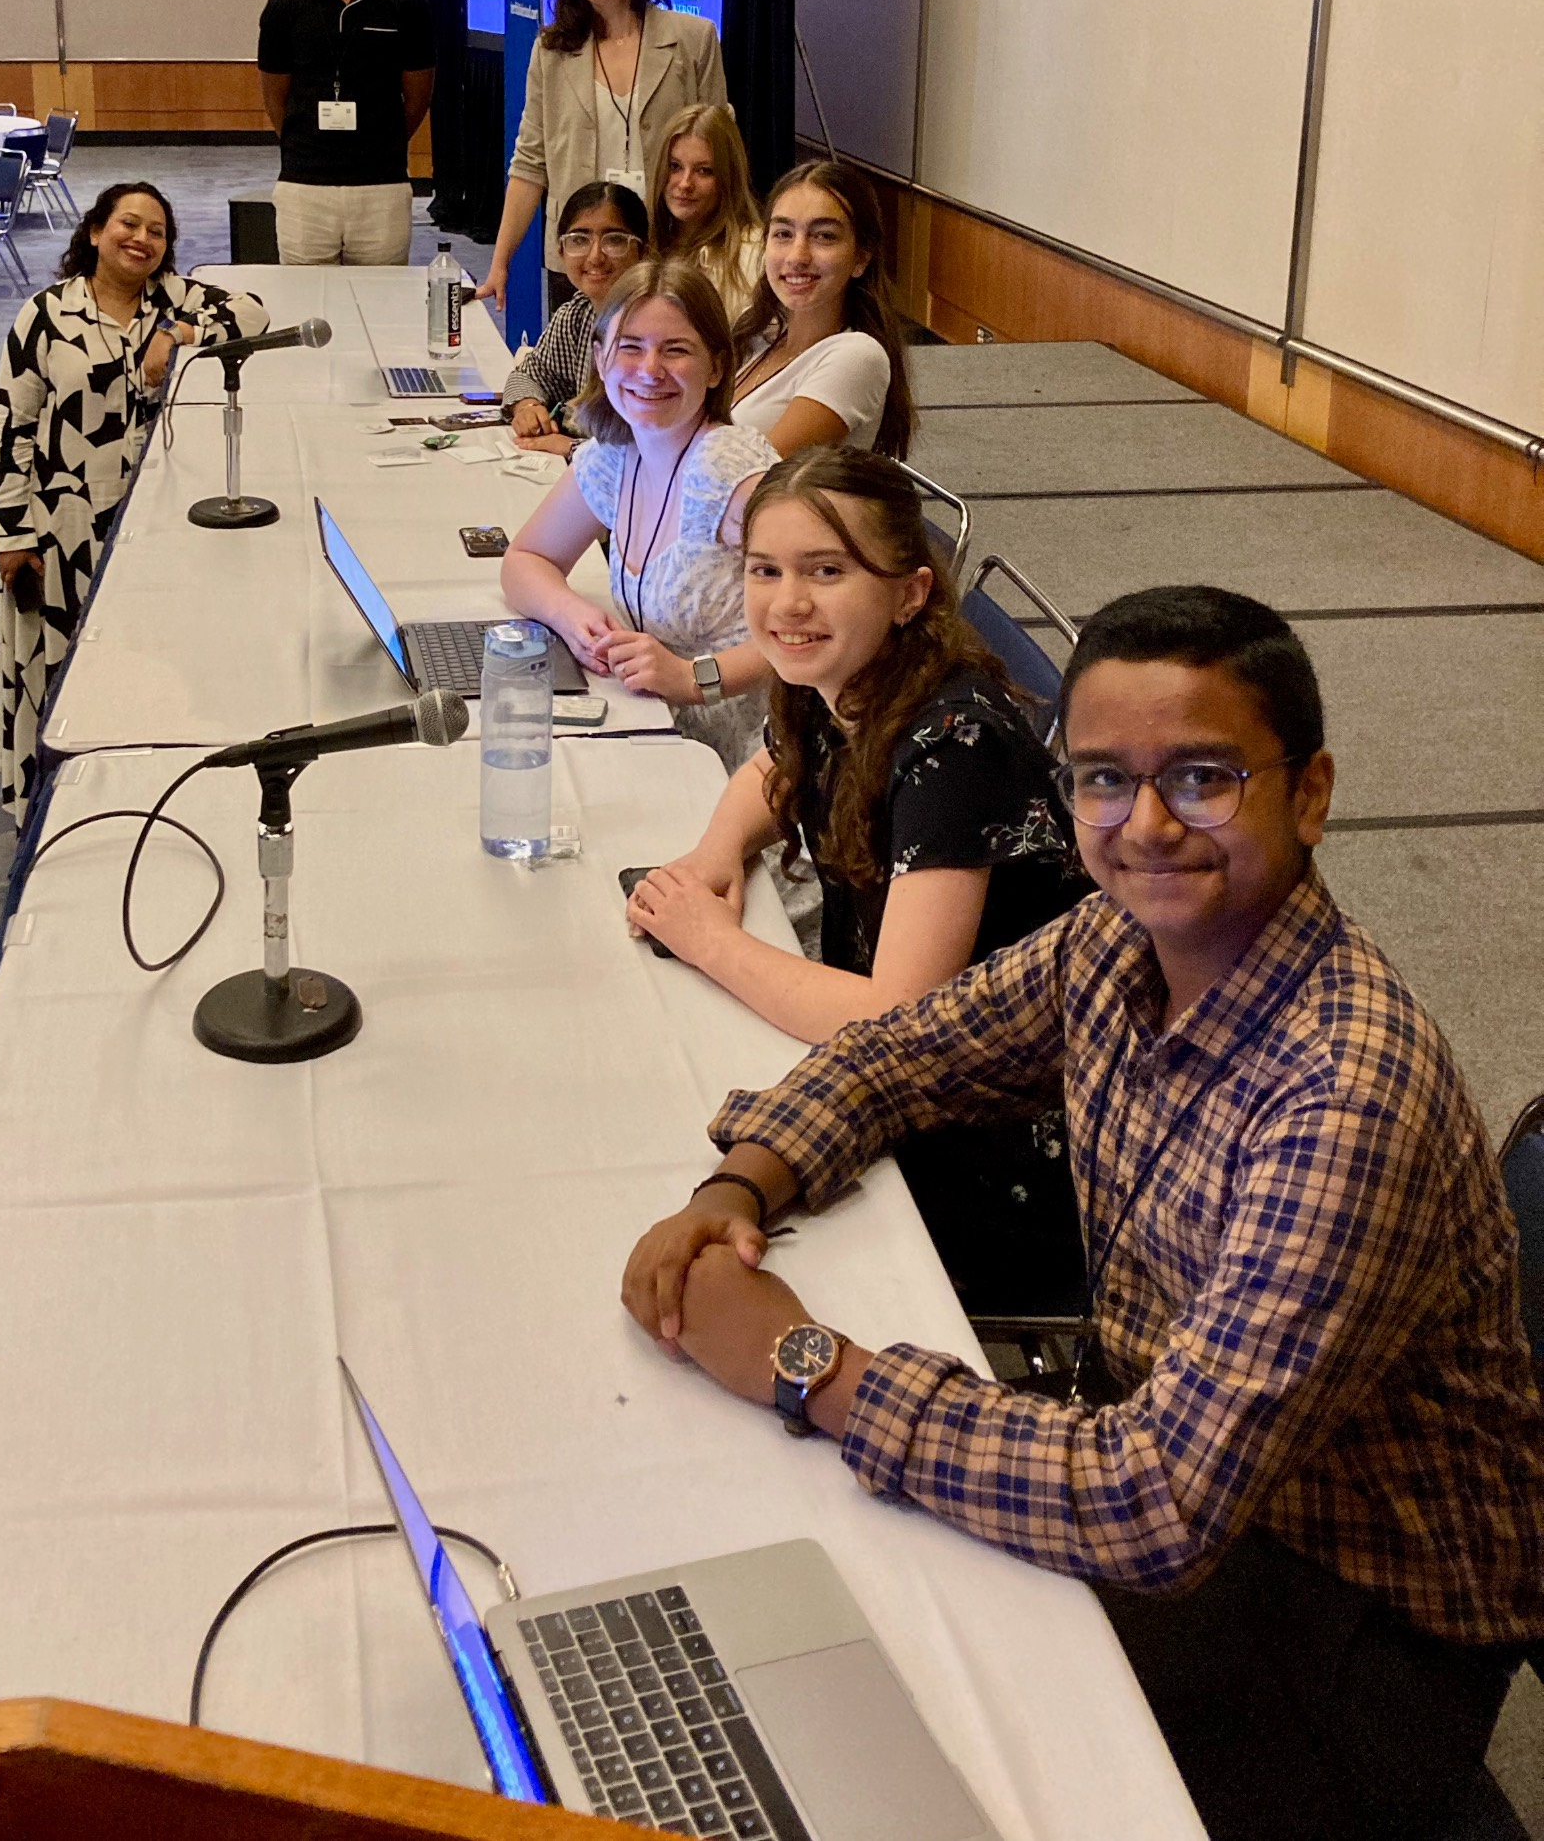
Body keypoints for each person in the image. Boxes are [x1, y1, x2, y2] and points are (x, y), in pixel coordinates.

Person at [622, 586, 1544, 1841]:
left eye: (1202, 778)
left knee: (878, 1738)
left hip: (1348, 1627)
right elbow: (899, 1053)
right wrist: (741, 1185)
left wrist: (806, 1363)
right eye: (1103, 779)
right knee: (804, 1611)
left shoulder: (1342, 1099)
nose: (1144, 824)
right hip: (1176, 1468)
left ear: (1309, 794)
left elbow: (1151, 1501)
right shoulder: (1113, 938)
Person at [627, 450, 1091, 1311]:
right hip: (890, 1077)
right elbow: (774, 768)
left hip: (998, 1148)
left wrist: (712, 941)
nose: (787, 603)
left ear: (910, 593)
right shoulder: (841, 676)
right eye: (766, 570)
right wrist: (718, 852)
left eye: (827, 572)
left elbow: (896, 1018)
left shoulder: (955, 748)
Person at [0, 181, 265, 815]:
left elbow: (252, 314)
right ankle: (47, 810)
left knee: (140, 660)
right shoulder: (46, 313)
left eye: (157, 232)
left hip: (150, 520)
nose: (142, 239)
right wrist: (12, 533)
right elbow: (12, 428)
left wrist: (177, 333)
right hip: (63, 523)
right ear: (95, 232)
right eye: (129, 224)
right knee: (56, 667)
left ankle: (131, 795)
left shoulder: (171, 297)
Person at [499, 258, 777, 764]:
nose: (650, 370)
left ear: (717, 368)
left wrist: (691, 678)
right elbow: (525, 560)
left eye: (676, 350)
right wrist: (572, 617)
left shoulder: (729, 472)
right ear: (601, 359)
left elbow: (821, 624)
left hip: (752, 760)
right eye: (631, 347)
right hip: (660, 733)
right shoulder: (615, 455)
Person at [481, 0, 726, 314]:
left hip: (670, 247)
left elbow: (720, 153)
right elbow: (530, 163)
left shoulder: (694, 38)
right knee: (579, 351)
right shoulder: (551, 52)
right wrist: (500, 261)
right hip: (583, 255)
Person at [256, 0, 434, 266]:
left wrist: (382, 142)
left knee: (380, 301)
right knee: (306, 302)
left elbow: (418, 97)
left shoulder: (405, 4)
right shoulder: (284, 7)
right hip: (304, 187)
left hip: (382, 186)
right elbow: (275, 98)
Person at [729, 160, 914, 459]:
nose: (797, 256)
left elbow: (760, 473)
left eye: (824, 236)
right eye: (783, 234)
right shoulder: (757, 334)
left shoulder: (857, 356)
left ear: (861, 258)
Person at [502, 181, 650, 461]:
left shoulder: (653, 329)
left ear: (644, 251)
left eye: (614, 240)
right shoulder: (577, 314)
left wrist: (571, 448)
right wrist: (527, 406)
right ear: (560, 250)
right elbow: (529, 374)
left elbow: (648, 450)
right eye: (580, 240)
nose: (595, 256)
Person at [648, 101, 762, 322]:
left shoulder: (755, 254)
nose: (685, 183)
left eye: (704, 171)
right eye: (674, 166)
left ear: (728, 177)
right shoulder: (641, 244)